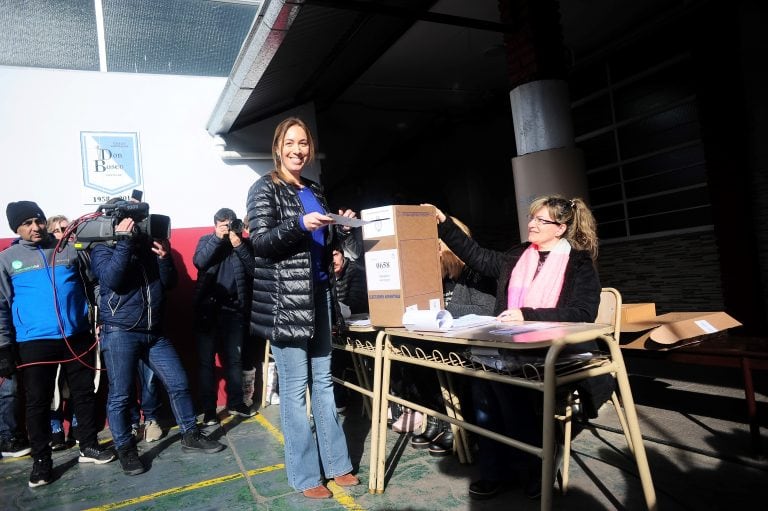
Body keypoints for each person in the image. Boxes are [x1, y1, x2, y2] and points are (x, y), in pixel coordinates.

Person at [431, 195, 610, 500]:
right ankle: (500, 468)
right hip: (514, 346)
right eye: (532, 218)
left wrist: (528, 315)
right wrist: (443, 223)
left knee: (500, 384)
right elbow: (475, 255)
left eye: (542, 220)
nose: (532, 224)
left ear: (560, 227)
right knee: (482, 379)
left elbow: (582, 313)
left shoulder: (578, 263)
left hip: (558, 350)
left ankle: (527, 466)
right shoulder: (517, 257)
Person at [246, 116, 360, 499]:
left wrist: (336, 248)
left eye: (304, 144)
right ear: (278, 147)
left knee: (324, 383)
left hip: (320, 295)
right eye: (291, 143)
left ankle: (338, 464)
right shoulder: (263, 188)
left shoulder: (315, 190)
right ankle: (305, 474)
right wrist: (298, 224)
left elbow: (320, 241)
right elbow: (259, 242)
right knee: (295, 390)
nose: (298, 150)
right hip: (286, 303)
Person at [90, 212, 225, 477]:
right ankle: (126, 450)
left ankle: (190, 435)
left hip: (153, 332)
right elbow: (112, 280)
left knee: (179, 383)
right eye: (130, 221)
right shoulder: (102, 248)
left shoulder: (149, 246)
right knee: (121, 394)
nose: (137, 226)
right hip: (120, 332)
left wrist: (164, 257)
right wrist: (124, 242)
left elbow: (169, 283)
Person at [0, 201, 115, 488]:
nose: (35, 227)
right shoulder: (7, 259)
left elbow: (92, 285)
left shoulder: (68, 249)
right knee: (38, 403)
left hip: (76, 335)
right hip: (34, 342)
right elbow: (1, 305)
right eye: (26, 223)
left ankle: (88, 446)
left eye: (37, 220)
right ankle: (42, 462)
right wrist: (4, 347)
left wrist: (98, 316)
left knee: (84, 393)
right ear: (16, 228)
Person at [408, 216, 497, 455]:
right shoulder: (437, 277)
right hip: (444, 344)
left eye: (436, 244)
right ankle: (439, 416)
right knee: (411, 357)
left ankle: (458, 422)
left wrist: (442, 313)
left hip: (473, 347)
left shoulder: (477, 273)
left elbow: (486, 310)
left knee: (438, 362)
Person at [193, 208, 256, 424]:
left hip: (234, 312)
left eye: (230, 224)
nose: (227, 228)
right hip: (207, 311)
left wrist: (238, 244)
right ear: (216, 225)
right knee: (206, 363)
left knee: (235, 360)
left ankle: (237, 402)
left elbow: (254, 269)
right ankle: (210, 409)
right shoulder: (206, 240)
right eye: (223, 225)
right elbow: (199, 262)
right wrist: (217, 239)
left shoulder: (241, 243)